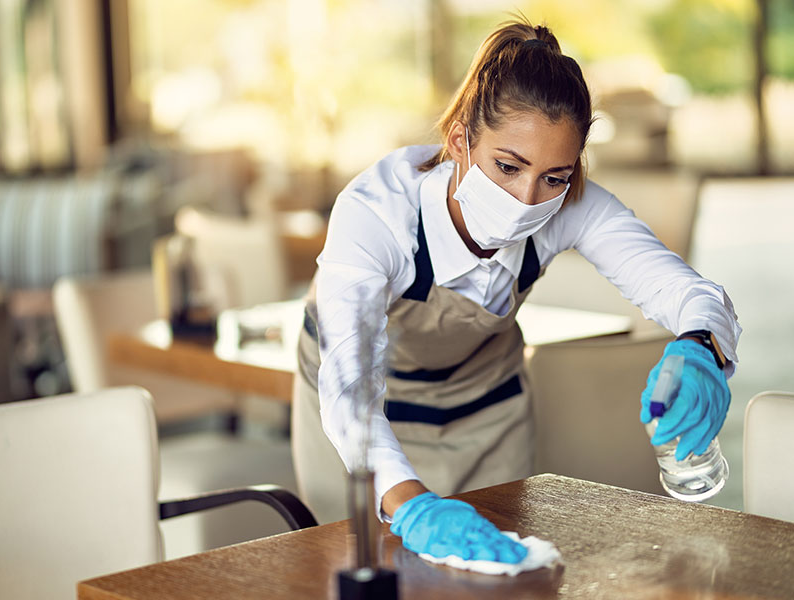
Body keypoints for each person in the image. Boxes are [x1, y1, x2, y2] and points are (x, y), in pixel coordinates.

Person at [292, 19, 741, 563]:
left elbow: (686, 291)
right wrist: (408, 503)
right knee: (362, 574)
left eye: (555, 176)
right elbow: (350, 388)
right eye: (507, 166)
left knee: (506, 575)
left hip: (488, 409)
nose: (528, 199)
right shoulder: (376, 214)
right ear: (460, 138)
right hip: (357, 417)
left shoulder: (570, 204)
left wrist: (702, 347)